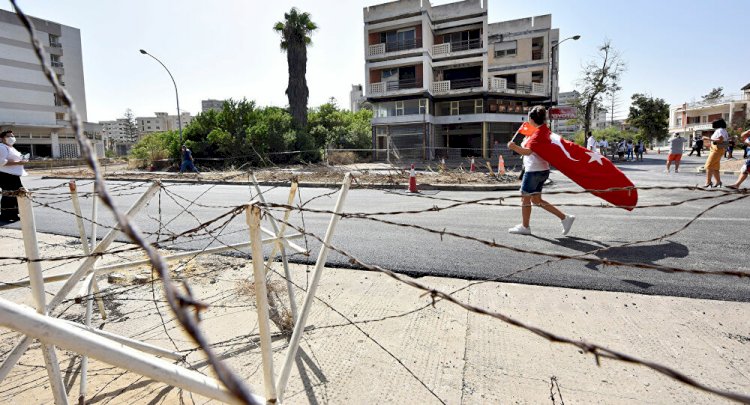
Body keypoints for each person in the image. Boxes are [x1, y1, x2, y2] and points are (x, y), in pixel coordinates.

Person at [506, 106, 575, 236]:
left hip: (533, 171)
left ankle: (525, 227)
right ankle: (565, 218)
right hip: (542, 169)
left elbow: (527, 152)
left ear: (531, 119)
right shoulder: (542, 131)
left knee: (525, 199)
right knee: (536, 200)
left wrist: (513, 146)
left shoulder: (537, 134)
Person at [0, 130, 29, 222]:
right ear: (2, 139)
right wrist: (19, 162)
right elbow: (1, 162)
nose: (11, 138)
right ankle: (5, 214)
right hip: (5, 175)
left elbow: (17, 159)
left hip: (13, 174)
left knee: (16, 193)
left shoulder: (11, 148)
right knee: (9, 194)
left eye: (12, 136)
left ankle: (13, 214)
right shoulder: (2, 147)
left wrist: (23, 160)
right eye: (8, 136)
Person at [704, 119, 728, 187]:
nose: (712, 124)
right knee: (715, 167)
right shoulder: (723, 130)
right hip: (719, 149)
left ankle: (708, 182)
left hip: (716, 149)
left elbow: (720, 140)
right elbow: (723, 141)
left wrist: (708, 139)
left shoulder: (719, 130)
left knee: (708, 165)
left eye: (713, 123)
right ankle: (718, 182)